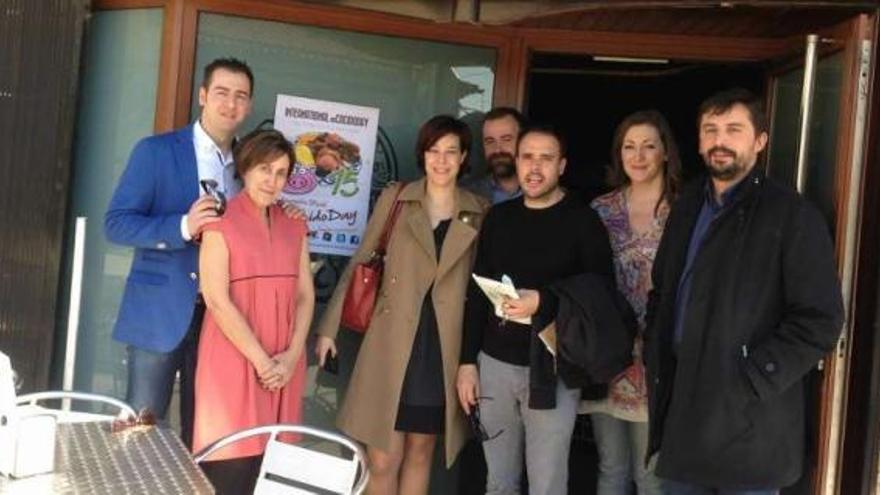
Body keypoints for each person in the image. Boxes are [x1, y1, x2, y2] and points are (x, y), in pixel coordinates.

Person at [645, 88, 844, 494]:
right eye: (711, 130)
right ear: (699, 141)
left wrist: (753, 376)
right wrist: (655, 344)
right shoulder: (685, 207)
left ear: (759, 141)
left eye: (734, 129)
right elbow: (662, 290)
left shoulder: (792, 216)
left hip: (753, 423)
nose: (720, 141)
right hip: (684, 413)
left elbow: (821, 320)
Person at [315, 115, 489, 494]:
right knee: (382, 458)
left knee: (421, 451)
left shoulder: (479, 211)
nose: (441, 160)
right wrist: (329, 328)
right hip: (391, 341)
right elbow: (362, 261)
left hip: (441, 345)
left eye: (450, 152)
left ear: (463, 158)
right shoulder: (398, 198)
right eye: (433, 151)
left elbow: (482, 289)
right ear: (422, 155)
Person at [104, 57, 254, 447]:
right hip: (159, 310)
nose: (230, 104)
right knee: (141, 427)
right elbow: (117, 223)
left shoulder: (250, 164)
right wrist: (183, 226)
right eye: (221, 93)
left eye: (240, 96)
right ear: (203, 96)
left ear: (249, 106)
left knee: (207, 432)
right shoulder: (155, 152)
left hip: (223, 315)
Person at [456, 125, 614, 495]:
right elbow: (477, 293)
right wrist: (467, 363)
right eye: (527, 157)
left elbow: (601, 294)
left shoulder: (583, 222)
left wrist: (544, 301)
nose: (535, 167)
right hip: (494, 364)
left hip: (553, 367)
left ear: (562, 166)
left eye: (546, 158)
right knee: (498, 482)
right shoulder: (499, 218)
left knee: (547, 485)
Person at [192, 129, 314, 494]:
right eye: (265, 169)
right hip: (234, 361)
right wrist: (262, 361)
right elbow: (215, 298)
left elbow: (305, 295)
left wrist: (292, 357)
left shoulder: (296, 223)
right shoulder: (219, 221)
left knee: (275, 475)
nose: (272, 180)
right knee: (230, 470)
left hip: (285, 365)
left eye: (281, 173)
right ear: (245, 168)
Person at [580, 110, 681, 495]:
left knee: (651, 474)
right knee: (611, 467)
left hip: (658, 355)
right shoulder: (601, 209)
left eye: (649, 146)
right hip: (610, 353)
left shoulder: (684, 209)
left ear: (666, 153)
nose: (638, 156)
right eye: (629, 147)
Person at [463, 107, 524, 204]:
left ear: (523, 141)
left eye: (506, 139)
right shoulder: (469, 195)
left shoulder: (542, 192)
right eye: (490, 141)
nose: (497, 149)